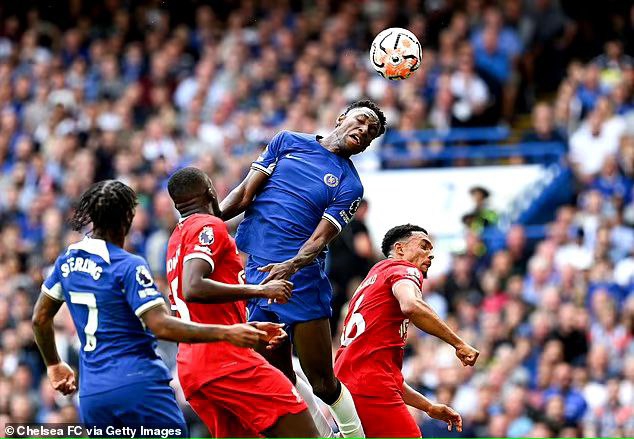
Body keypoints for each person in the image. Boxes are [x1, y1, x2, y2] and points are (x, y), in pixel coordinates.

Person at [32, 180, 267, 434]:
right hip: (139, 386)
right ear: (127, 218)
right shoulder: (128, 265)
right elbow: (161, 326)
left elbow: (40, 318)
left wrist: (53, 364)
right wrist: (226, 332)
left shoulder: (67, 262)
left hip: (93, 395)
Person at [220, 99, 387, 437]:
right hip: (257, 275)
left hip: (301, 282)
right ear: (341, 118)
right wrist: (202, 220)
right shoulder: (287, 141)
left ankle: (355, 435)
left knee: (322, 381)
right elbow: (243, 196)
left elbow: (318, 241)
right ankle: (323, 436)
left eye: (370, 134)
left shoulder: (350, 184)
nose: (363, 131)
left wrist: (290, 266)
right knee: (275, 375)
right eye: (361, 121)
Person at [165, 167, 319, 438]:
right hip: (224, 359)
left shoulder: (177, 237)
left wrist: (248, 325)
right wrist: (260, 291)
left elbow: (194, 304)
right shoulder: (208, 225)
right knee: (305, 431)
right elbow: (193, 287)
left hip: (192, 366)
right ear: (211, 191)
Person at [334, 224, 480, 438]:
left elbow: (387, 376)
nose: (430, 254)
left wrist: (428, 407)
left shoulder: (375, 275)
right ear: (400, 249)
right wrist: (458, 343)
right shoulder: (404, 269)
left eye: (431, 249)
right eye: (424, 246)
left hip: (349, 382)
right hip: (369, 384)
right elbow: (411, 305)